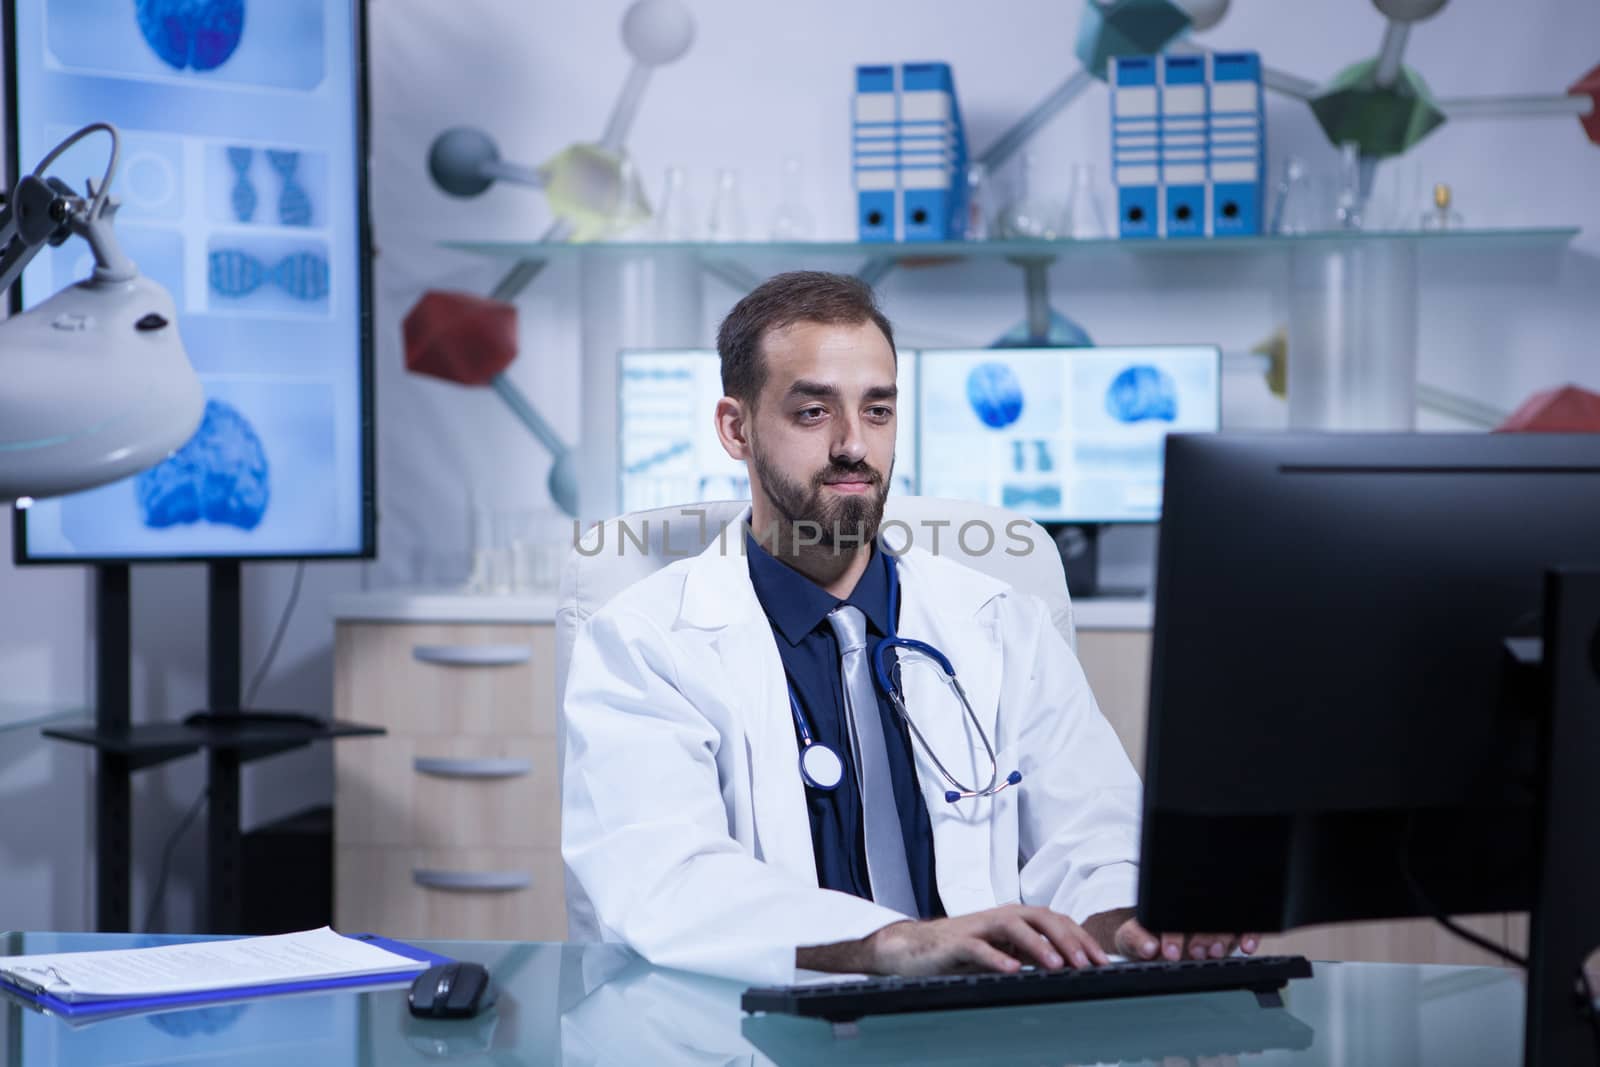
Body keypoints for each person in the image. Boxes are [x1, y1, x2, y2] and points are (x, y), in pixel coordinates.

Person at [561, 271, 1255, 984]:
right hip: (761, 1034)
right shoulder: (643, 644)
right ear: (736, 429)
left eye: (878, 410)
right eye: (812, 413)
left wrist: (1129, 918)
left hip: (979, 1029)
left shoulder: (1000, 623)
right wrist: (891, 941)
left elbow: (1095, 832)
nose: (854, 445)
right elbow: (666, 882)